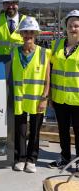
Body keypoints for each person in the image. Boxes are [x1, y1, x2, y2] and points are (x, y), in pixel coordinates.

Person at [11, 17, 50, 173]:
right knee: (20, 130)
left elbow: (48, 79)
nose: (28, 35)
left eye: (31, 32)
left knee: (34, 130)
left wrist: (45, 98)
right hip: (19, 98)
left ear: (36, 34)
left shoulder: (44, 53)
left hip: (37, 99)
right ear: (21, 34)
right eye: (25, 32)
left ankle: (31, 159)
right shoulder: (14, 52)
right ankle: (20, 158)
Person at [49, 10, 79, 172]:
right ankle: (65, 157)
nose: (73, 29)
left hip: (77, 99)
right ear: (65, 27)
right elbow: (50, 68)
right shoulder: (57, 45)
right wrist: (50, 96)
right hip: (60, 98)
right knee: (63, 131)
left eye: (76, 26)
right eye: (70, 26)